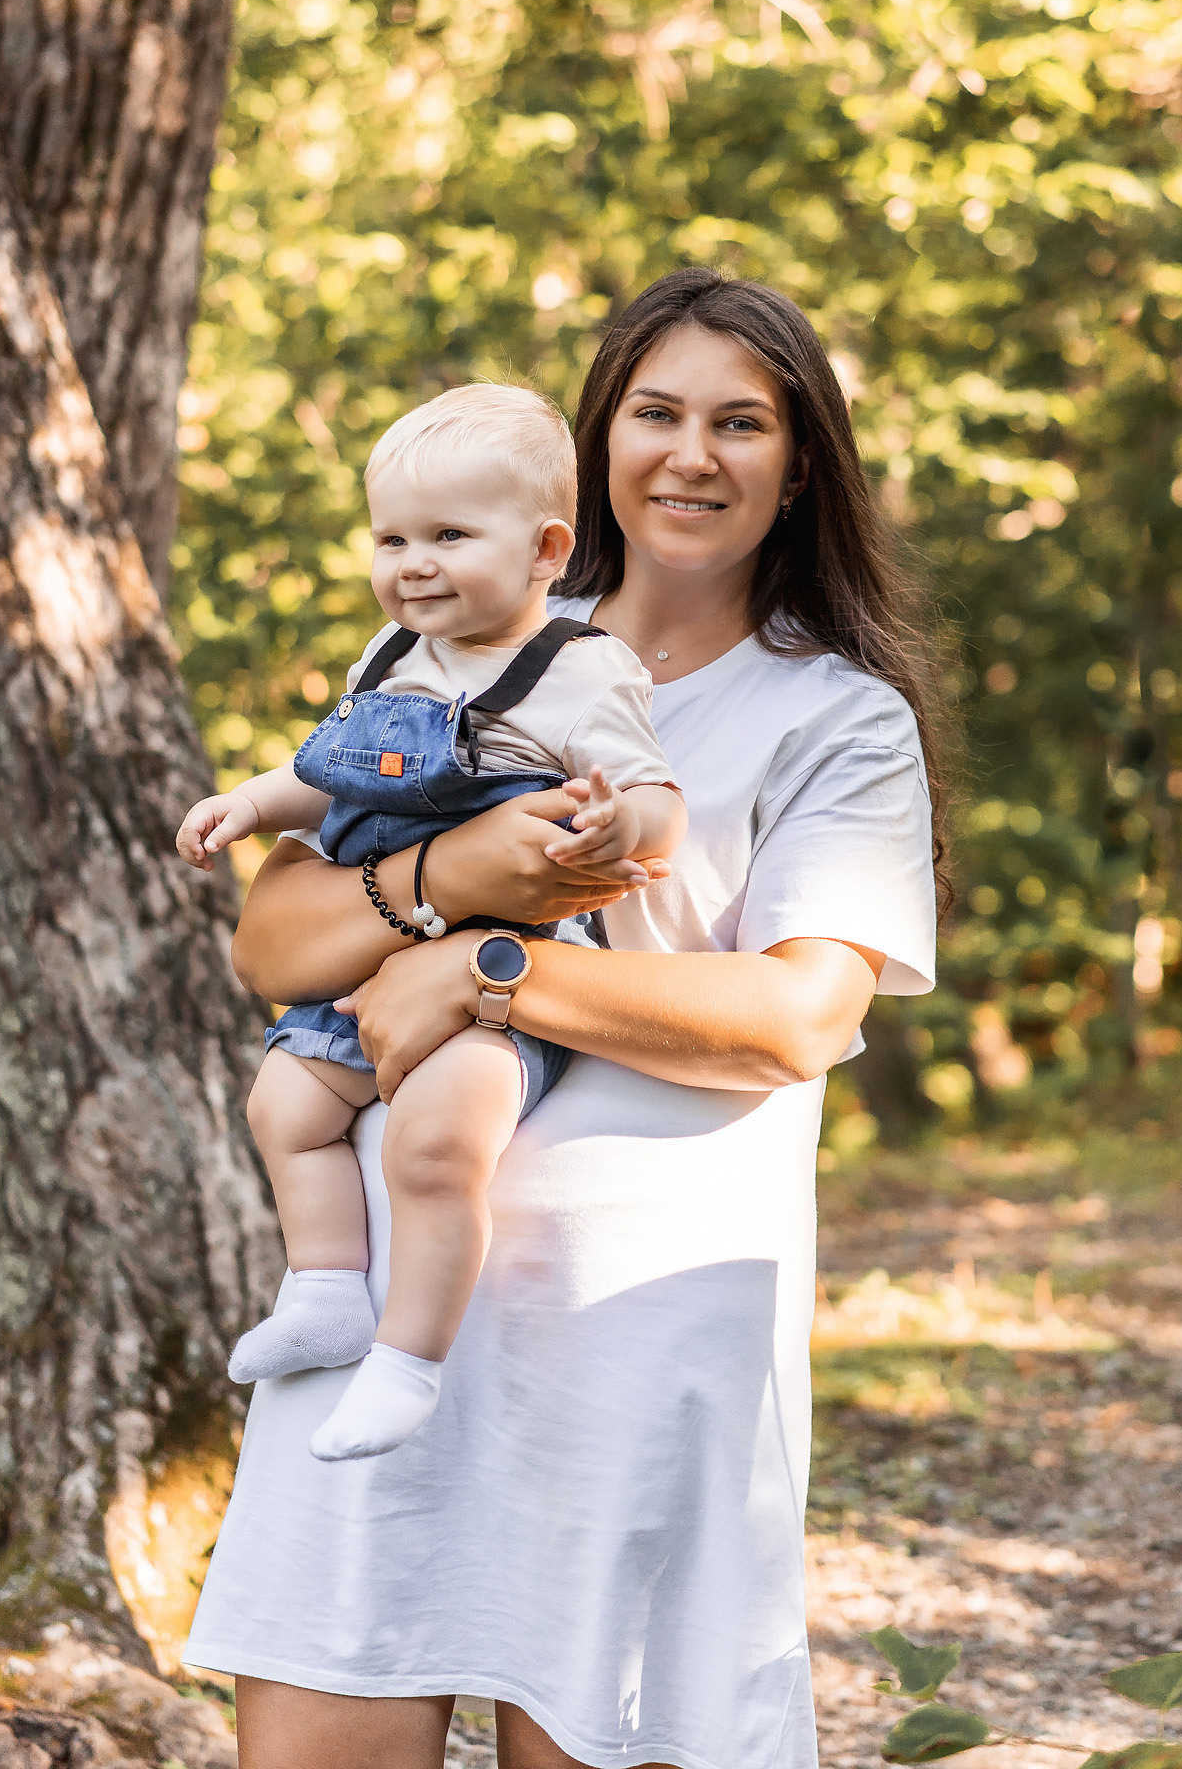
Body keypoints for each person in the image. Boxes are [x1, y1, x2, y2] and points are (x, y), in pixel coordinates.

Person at [185, 268, 945, 1769]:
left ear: (799, 469)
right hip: (395, 1318)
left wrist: (495, 972)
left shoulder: (838, 718)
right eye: (655, 412)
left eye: (742, 422)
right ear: (594, 445)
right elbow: (277, 940)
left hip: (641, 1336)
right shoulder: (448, 626)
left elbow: (796, 1016)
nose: (691, 453)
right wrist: (454, 872)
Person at [175, 384, 684, 1458]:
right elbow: (327, 774)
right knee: (285, 1105)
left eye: (450, 535)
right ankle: (325, 1288)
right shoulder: (389, 657)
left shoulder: (580, 668)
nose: (412, 562)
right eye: (392, 536)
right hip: (368, 963)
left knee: (437, 1144)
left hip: (505, 987)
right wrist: (250, 805)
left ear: (547, 547)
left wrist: (612, 822)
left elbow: (657, 800)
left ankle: (409, 1359)